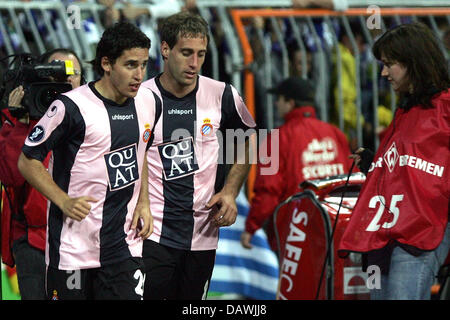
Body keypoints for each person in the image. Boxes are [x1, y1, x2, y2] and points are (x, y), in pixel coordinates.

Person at [16, 21, 161, 300]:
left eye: (143, 65)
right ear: (106, 63)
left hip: (124, 246)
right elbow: (28, 160)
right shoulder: (70, 107)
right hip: (73, 250)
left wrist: (144, 202)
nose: (139, 74)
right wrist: (64, 200)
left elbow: (141, 151)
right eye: (130, 65)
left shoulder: (149, 102)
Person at [141, 11, 256, 300]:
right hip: (151, 235)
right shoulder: (141, 98)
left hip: (203, 234)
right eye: (186, 53)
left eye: (201, 54)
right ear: (165, 49)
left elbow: (250, 139)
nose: (194, 64)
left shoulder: (222, 94)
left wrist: (230, 192)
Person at [338, 22, 450, 300]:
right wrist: (374, 164)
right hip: (384, 233)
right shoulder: (405, 110)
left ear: (414, 62)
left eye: (390, 64)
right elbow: (411, 167)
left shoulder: (446, 107)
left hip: (422, 232)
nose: (383, 73)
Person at [0, 48, 83, 300]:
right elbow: (11, 175)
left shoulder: (95, 115)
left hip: (80, 236)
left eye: (74, 72)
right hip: (33, 239)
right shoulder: (17, 119)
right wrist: (19, 123)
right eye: (57, 72)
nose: (67, 79)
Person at [240, 77, 354, 252]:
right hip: (337, 227)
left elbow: (268, 191)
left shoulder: (277, 138)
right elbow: (353, 179)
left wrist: (251, 227)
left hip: (296, 232)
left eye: (279, 99)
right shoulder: (334, 133)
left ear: (290, 102)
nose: (276, 104)